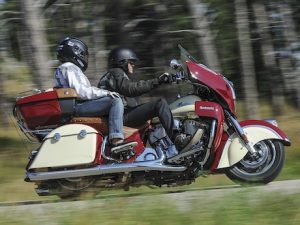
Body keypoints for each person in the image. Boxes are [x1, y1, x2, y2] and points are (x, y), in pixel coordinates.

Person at [98, 47, 188, 153]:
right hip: (119, 116)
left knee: (154, 111)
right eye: (131, 62)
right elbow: (131, 89)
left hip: (118, 115)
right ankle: (177, 139)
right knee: (159, 104)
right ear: (122, 62)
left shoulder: (114, 76)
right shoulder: (116, 72)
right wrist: (158, 81)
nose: (133, 65)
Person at [54, 37, 136, 152]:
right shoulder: (69, 67)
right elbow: (81, 91)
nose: (83, 57)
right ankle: (116, 141)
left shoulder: (65, 68)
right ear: (76, 52)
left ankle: (106, 143)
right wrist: (106, 93)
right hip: (78, 106)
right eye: (82, 54)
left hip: (76, 106)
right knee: (115, 101)